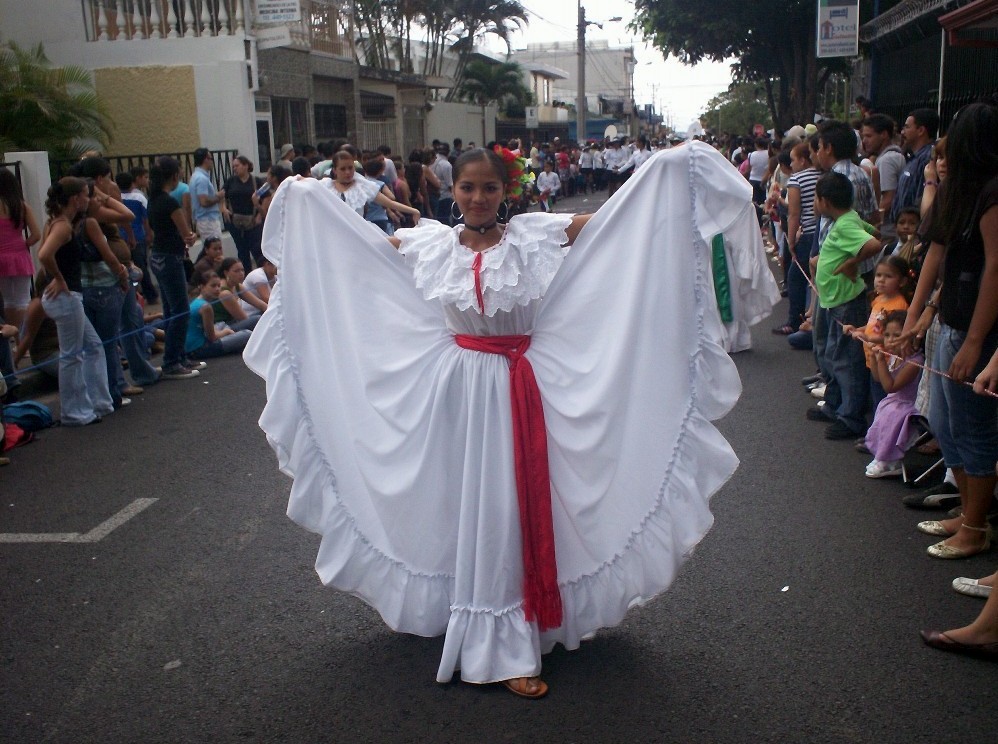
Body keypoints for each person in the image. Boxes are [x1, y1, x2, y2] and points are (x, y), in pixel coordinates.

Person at [245, 143, 774, 698]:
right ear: (454, 191)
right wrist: (308, 206)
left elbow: (618, 222)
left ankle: (510, 636)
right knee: (465, 504)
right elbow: (359, 249)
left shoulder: (533, 235)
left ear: (506, 190)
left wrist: (666, 175)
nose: (477, 197)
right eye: (467, 187)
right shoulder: (430, 243)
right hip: (457, 393)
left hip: (520, 385)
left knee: (508, 506)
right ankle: (472, 613)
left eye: (489, 187)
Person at [898, 102, 998, 561]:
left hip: (977, 330)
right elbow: (934, 256)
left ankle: (976, 526)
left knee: (973, 428)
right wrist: (913, 320)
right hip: (950, 320)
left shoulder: (992, 193)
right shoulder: (957, 190)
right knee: (942, 421)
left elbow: (995, 268)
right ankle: (968, 510)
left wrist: (975, 342)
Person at [808, 171, 883, 440]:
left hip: (846, 302)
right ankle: (834, 404)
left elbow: (874, 243)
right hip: (835, 300)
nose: (814, 203)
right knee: (831, 354)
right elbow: (874, 231)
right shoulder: (848, 219)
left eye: (815, 198)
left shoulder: (843, 225)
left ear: (825, 202)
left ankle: (850, 417)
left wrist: (852, 262)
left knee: (846, 360)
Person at [36, 178, 115, 425]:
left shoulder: (57, 223)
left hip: (67, 297)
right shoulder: (62, 226)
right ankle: (74, 411)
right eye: (85, 194)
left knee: (93, 346)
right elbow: (44, 255)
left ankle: (98, 402)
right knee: (72, 355)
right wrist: (59, 279)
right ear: (74, 199)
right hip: (67, 298)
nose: (88, 199)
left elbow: (45, 254)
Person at [148, 157, 202, 380]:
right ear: (174, 175)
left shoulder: (152, 200)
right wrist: (192, 236)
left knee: (171, 309)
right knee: (180, 309)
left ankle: (178, 356)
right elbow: (186, 234)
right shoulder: (170, 203)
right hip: (171, 257)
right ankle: (172, 360)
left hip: (157, 255)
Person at [842, 255, 911, 410]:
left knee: (882, 402)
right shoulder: (878, 300)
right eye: (878, 275)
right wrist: (856, 329)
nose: (881, 280)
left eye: (888, 276)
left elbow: (893, 337)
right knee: (875, 398)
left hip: (886, 364)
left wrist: (866, 337)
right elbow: (873, 326)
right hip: (872, 359)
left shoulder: (899, 305)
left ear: (902, 281)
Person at [862, 311, 923, 478]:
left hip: (909, 404)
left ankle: (889, 460)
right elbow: (878, 378)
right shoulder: (895, 356)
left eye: (897, 335)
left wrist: (881, 361)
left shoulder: (915, 362)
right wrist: (874, 358)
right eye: (887, 335)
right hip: (895, 400)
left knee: (892, 415)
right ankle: (882, 456)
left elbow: (890, 386)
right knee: (885, 409)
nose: (890, 340)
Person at [0, 168, 41, 331]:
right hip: (19, 256)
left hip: (1, 256)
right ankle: (23, 335)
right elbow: (36, 234)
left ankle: (12, 333)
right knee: (23, 299)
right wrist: (24, 244)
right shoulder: (22, 206)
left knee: (7, 300)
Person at [185, 270, 252, 360]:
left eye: (219, 286)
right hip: (199, 348)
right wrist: (226, 332)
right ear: (202, 287)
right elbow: (212, 337)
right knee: (247, 334)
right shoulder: (205, 307)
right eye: (213, 286)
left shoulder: (196, 301)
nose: (217, 289)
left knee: (224, 326)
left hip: (193, 346)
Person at [223, 155, 264, 272]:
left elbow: (266, 198)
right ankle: (246, 275)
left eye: (237, 166)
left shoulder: (256, 181)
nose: (235, 168)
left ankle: (262, 274)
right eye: (233, 167)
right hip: (235, 221)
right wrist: (223, 208)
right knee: (242, 251)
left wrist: (259, 214)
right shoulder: (231, 181)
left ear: (246, 166)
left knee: (257, 250)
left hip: (253, 221)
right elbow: (222, 195)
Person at [189, 147, 225, 241]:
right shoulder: (201, 178)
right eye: (211, 159)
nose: (212, 162)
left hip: (204, 220)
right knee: (214, 247)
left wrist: (215, 195)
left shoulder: (196, 176)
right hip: (208, 220)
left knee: (209, 247)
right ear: (206, 159)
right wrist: (219, 197)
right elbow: (204, 202)